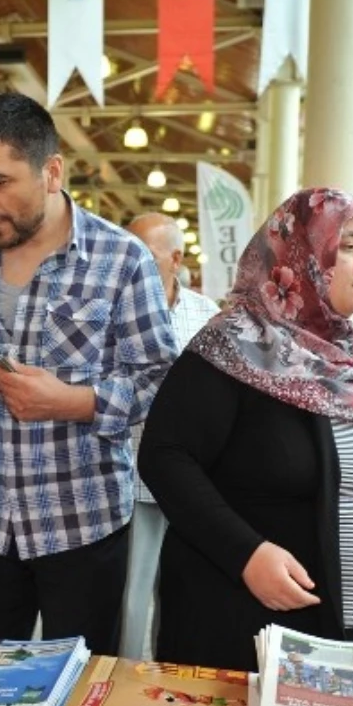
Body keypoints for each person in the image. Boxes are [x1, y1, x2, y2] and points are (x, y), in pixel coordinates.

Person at [138, 188, 353, 674]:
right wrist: (244, 553)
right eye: (347, 245)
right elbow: (165, 455)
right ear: (301, 255)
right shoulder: (234, 345)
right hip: (258, 630)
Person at [0, 93, 177, 656]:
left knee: (81, 699)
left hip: (82, 524)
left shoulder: (122, 260)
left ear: (52, 173)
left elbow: (160, 382)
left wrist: (75, 402)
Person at [119, 212, 220, 660]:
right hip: (131, 475)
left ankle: (171, 686)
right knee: (129, 601)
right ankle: (119, 685)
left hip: (192, 482)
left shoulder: (207, 317)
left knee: (184, 598)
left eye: (142, 253)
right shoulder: (114, 310)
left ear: (175, 258)